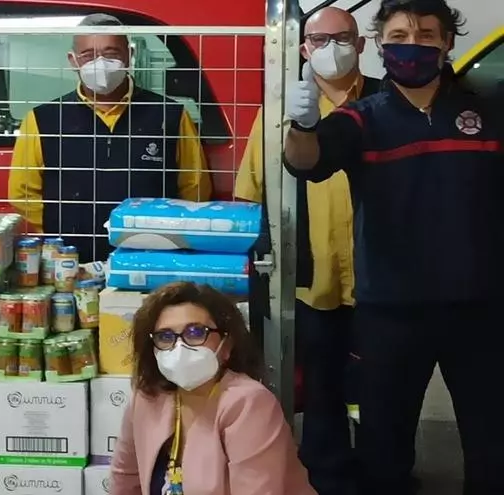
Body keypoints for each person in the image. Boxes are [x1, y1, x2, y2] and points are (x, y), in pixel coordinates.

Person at [283, 1, 504, 493]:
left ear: (447, 43)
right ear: (380, 45)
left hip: (481, 309)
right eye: (400, 35)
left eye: (427, 35)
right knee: (384, 449)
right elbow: (307, 162)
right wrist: (302, 126)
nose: (413, 45)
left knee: (492, 445)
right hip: (390, 312)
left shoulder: (488, 112)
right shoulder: (361, 118)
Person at [234, 7, 374, 495]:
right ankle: (326, 477)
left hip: (379, 276)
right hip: (310, 276)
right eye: (319, 40)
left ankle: (381, 472)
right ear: (302, 48)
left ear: (361, 44)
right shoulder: (279, 108)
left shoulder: (385, 100)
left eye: (343, 38)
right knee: (321, 383)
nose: (331, 49)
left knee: (383, 386)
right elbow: (250, 192)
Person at [8, 13, 212, 262]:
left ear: (130, 55)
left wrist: (168, 232)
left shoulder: (171, 116)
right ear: (73, 60)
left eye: (111, 53)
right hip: (70, 259)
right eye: (88, 55)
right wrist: (63, 227)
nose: (100, 63)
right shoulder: (42, 119)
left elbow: (195, 187)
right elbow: (22, 191)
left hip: (151, 255)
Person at [110, 282, 316, 495]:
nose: (180, 347)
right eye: (165, 336)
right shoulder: (147, 399)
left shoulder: (249, 404)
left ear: (226, 345)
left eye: (196, 332)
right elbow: (124, 480)